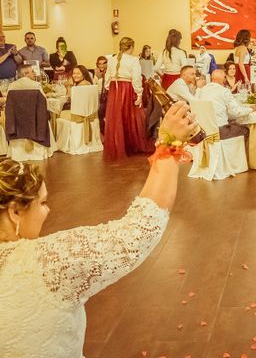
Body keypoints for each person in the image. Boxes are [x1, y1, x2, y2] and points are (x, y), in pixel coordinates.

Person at [0, 102, 195, 357]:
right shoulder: (45, 263)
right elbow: (137, 232)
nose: (48, 211)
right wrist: (169, 145)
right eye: (43, 203)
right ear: (15, 211)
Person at [104, 37, 153, 160]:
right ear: (131, 47)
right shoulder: (133, 60)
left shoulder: (111, 59)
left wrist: (111, 89)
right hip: (127, 88)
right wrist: (139, 92)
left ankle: (117, 145)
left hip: (114, 89)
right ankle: (130, 145)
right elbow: (136, 78)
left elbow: (107, 77)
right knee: (129, 117)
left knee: (116, 118)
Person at [197, 70, 255, 140]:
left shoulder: (202, 90)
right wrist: (251, 109)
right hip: (220, 130)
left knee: (232, 121)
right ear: (224, 79)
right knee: (246, 129)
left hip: (203, 130)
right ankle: (234, 150)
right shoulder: (224, 91)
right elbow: (236, 112)